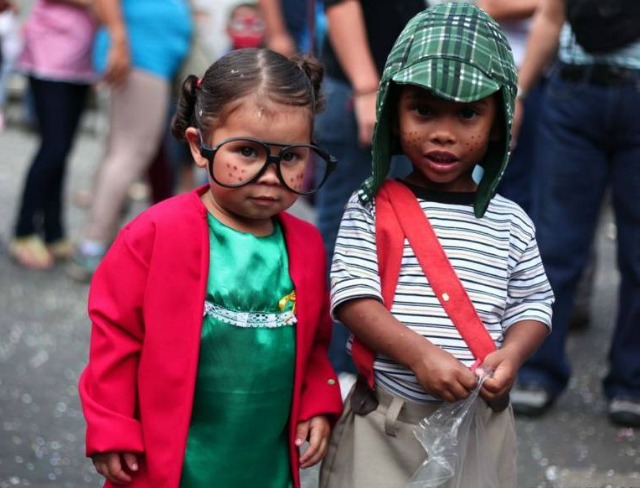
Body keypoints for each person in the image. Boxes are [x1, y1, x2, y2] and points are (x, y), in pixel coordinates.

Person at [78, 48, 343, 487]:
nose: (270, 175)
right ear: (199, 147)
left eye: (291, 157)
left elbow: (315, 342)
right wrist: (112, 424)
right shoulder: (155, 233)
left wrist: (317, 400)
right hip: (172, 454)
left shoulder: (307, 244)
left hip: (262, 455)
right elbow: (116, 333)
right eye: (247, 151)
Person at [319, 4, 554, 487]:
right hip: (386, 423)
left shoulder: (511, 222)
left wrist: (513, 356)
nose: (444, 133)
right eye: (423, 110)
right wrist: (419, 356)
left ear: (498, 123)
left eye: (468, 114)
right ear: (392, 113)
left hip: (476, 427)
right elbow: (352, 298)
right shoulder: (368, 207)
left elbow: (533, 303)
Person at [510, 0, 640, 428]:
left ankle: (631, 381)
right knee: (554, 245)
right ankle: (535, 370)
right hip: (573, 93)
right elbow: (550, 15)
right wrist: (520, 94)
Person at [314, 0, 427, 385]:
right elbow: (341, 4)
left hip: (399, 94)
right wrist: (367, 89)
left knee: (390, 240)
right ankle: (334, 371)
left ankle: (359, 366)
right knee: (345, 240)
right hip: (363, 94)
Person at [67, 0, 193, 280]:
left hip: (145, 56)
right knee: (130, 153)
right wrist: (119, 40)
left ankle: (98, 243)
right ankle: (93, 245)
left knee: (120, 151)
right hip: (139, 56)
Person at [8, 0, 97, 270]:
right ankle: (23, 231)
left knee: (63, 151)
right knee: (53, 148)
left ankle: (53, 230)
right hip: (50, 56)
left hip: (81, 63)